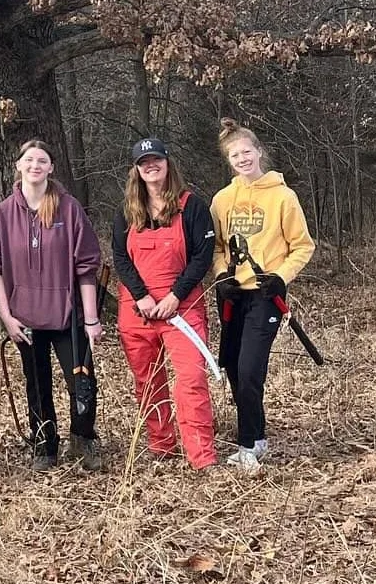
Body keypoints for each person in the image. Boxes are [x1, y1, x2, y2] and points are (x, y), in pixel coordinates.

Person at [0, 139, 105, 472]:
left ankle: (82, 438)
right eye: (29, 160)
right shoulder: (3, 213)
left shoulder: (68, 208)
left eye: (42, 160)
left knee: (81, 381)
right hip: (25, 317)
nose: (35, 165)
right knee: (36, 383)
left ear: (51, 167)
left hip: (68, 315)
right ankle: (44, 443)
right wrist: (6, 316)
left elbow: (86, 266)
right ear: (18, 165)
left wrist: (91, 319)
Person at [211, 118, 315, 471]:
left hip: (264, 296)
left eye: (246, 152)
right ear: (229, 161)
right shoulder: (223, 200)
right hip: (233, 296)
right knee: (235, 370)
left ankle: (246, 448)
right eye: (234, 155)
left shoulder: (284, 197)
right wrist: (222, 274)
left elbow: (302, 246)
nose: (242, 159)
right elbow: (218, 247)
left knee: (250, 368)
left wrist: (281, 278)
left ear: (258, 152)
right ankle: (257, 436)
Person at [111, 138, 218, 470]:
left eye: (156, 159)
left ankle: (201, 455)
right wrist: (142, 296)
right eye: (144, 162)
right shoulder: (127, 211)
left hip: (182, 308)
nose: (150, 165)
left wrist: (175, 296)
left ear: (168, 163)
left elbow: (202, 257)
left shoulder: (192, 207)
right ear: (137, 170)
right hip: (137, 310)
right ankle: (162, 445)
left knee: (191, 379)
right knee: (147, 382)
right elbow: (119, 258)